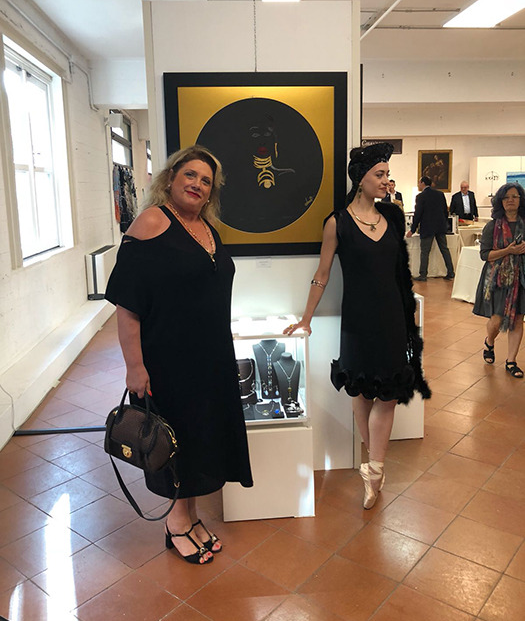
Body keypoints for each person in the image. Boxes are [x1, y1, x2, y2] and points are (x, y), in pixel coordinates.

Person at [105, 145, 253, 564]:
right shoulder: (153, 221)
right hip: (168, 358)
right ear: (170, 178)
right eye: (190, 175)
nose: (197, 184)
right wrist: (135, 366)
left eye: (206, 181)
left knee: (199, 437)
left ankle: (189, 515)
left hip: (209, 357)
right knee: (176, 440)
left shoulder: (207, 228)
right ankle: (176, 523)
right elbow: (127, 305)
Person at [284, 143, 430, 510]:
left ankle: (375, 468)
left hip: (392, 317)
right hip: (357, 320)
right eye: (379, 174)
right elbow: (322, 274)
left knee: (389, 393)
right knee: (362, 391)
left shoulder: (392, 217)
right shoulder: (337, 223)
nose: (385, 181)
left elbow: (399, 270)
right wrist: (306, 318)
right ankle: (372, 460)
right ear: (360, 178)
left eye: (387, 175)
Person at [473, 182, 525, 378]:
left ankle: (511, 361)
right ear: (500, 202)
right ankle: (490, 341)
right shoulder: (492, 226)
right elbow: (485, 255)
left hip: (521, 278)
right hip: (498, 280)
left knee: (518, 318)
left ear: (520, 200)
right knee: (497, 319)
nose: (510, 200)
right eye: (506, 197)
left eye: (514, 196)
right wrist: (508, 251)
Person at [406, 176, 455, 282]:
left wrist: (412, 229)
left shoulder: (421, 196)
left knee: (425, 252)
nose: (418, 184)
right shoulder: (440, 194)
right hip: (440, 226)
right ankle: (451, 272)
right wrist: (444, 223)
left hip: (427, 227)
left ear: (423, 183)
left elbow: (418, 214)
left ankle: (423, 275)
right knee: (444, 249)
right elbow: (445, 211)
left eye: (419, 182)